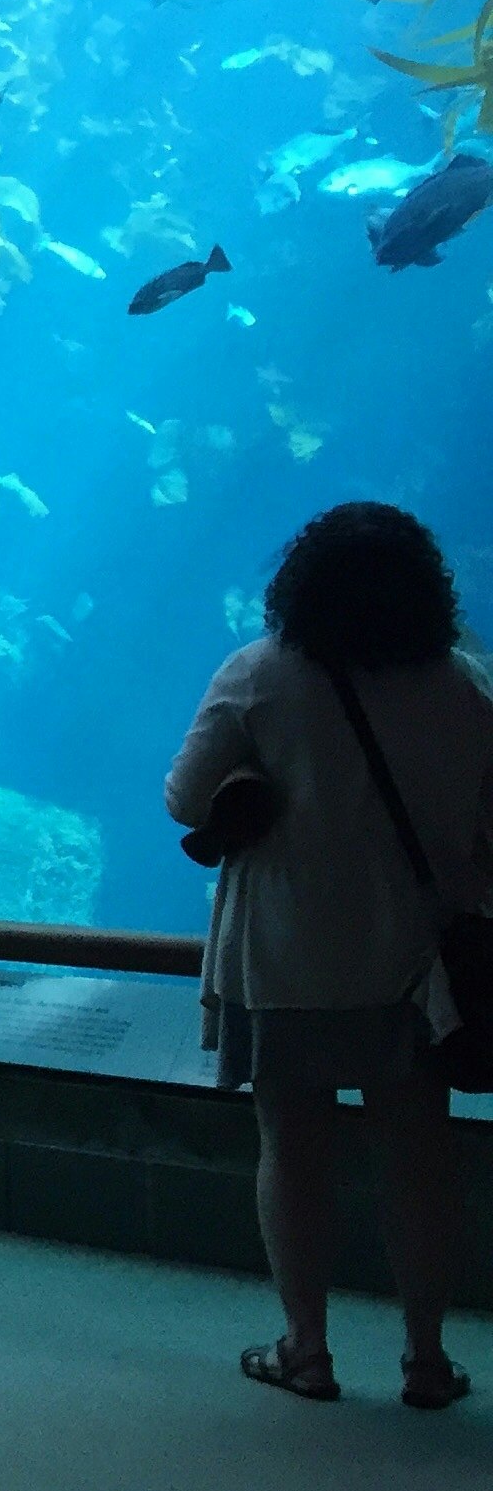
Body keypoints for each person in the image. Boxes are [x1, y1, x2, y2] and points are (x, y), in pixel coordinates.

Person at [168, 502, 493, 1411]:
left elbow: (184, 797)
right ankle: (426, 1359)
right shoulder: (465, 684)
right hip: (418, 971)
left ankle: (306, 1351)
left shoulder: (261, 675)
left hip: (287, 959)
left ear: (298, 583)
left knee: (294, 1147)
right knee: (421, 1159)